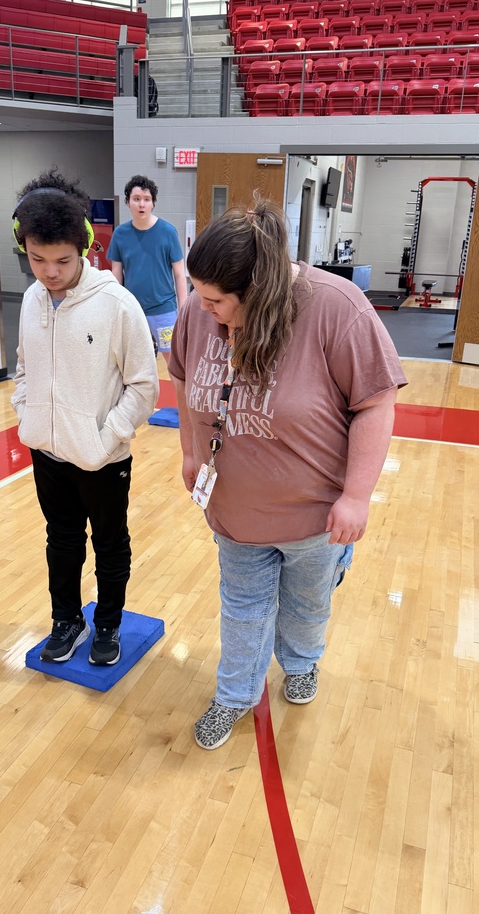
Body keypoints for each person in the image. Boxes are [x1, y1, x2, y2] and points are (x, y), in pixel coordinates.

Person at [168, 198, 407, 750]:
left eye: (218, 301)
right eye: (199, 297)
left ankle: (302, 660)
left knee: (304, 611)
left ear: (260, 292)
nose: (204, 311)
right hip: (237, 514)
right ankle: (234, 695)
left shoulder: (335, 307)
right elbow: (181, 377)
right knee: (244, 609)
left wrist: (357, 496)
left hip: (314, 518)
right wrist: (190, 451)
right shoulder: (199, 309)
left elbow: (376, 401)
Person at [11, 168, 158, 667]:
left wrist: (106, 437)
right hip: (47, 452)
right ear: (24, 246)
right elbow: (24, 365)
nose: (49, 272)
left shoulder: (116, 304)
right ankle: (66, 620)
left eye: (62, 261)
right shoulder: (32, 299)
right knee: (62, 539)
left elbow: (144, 385)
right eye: (37, 259)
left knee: (110, 544)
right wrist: (26, 412)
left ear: (86, 247)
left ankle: (109, 625)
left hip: (102, 456)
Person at [108, 175, 188, 367]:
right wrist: (114, 307)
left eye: (146, 199)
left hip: (163, 308)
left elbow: (179, 273)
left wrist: (183, 308)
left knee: (174, 363)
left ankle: (182, 398)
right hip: (133, 309)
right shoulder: (120, 233)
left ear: (153, 203)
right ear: (128, 202)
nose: (141, 204)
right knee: (133, 362)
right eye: (136, 199)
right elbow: (116, 274)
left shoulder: (168, 232)